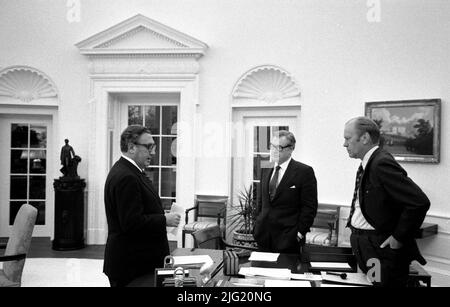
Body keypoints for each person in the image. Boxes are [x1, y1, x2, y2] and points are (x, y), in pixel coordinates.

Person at [343, 117, 430, 287]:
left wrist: (398, 237)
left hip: (377, 248)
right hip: (366, 246)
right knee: (372, 284)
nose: (344, 144)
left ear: (365, 138)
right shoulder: (369, 162)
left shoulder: (380, 163)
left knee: (379, 285)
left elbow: (418, 202)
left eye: (347, 138)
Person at [103, 125, 181, 287]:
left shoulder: (131, 171)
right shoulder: (126, 176)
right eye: (149, 146)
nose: (153, 152)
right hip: (132, 268)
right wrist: (164, 219)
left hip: (137, 264)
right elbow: (131, 223)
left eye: (153, 146)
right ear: (131, 147)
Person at [253, 130, 318, 254]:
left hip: (288, 239)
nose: (273, 151)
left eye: (279, 147)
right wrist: (257, 225)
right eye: (271, 146)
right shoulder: (265, 169)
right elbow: (260, 202)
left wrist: (299, 234)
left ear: (291, 148)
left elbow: (309, 208)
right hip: (263, 237)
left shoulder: (304, 172)